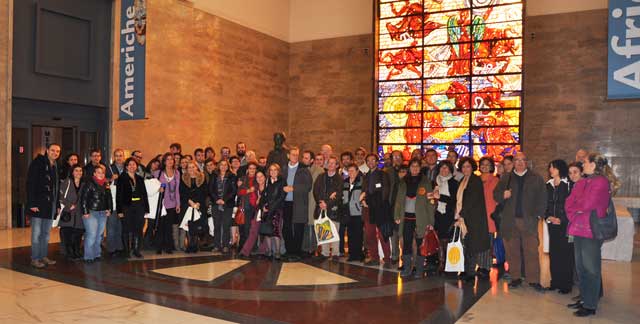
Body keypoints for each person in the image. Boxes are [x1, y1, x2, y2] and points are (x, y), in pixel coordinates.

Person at [565, 153, 620, 317]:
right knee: (581, 268)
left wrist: (577, 205)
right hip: (578, 227)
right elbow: (569, 202)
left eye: (585, 162)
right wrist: (576, 207)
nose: (583, 165)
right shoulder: (584, 181)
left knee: (591, 269)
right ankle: (584, 298)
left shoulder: (601, 182)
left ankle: (590, 305)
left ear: (594, 165)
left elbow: (588, 204)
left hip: (591, 230)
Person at [493, 152, 546, 290]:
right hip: (510, 221)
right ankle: (515, 278)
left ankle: (533, 280)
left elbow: (542, 198)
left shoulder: (536, 178)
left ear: (527, 162)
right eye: (517, 160)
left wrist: (538, 215)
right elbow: (496, 195)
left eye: (523, 160)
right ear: (514, 162)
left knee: (531, 251)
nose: (520, 162)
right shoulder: (506, 178)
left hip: (528, 221)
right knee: (512, 251)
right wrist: (503, 195)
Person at [394, 158, 435, 278]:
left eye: (417, 166)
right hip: (405, 218)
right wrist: (396, 215)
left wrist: (430, 221)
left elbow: (430, 202)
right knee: (406, 243)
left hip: (421, 218)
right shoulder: (403, 182)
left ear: (420, 168)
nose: (415, 168)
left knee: (420, 244)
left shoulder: (426, 182)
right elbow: (398, 201)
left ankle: (419, 269)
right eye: (413, 166)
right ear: (409, 168)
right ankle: (407, 268)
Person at [456, 157, 491, 281]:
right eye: (464, 166)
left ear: (472, 168)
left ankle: (470, 273)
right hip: (465, 218)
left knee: (472, 247)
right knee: (466, 246)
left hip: (473, 219)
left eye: (468, 166)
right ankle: (466, 270)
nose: (466, 169)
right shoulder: (463, 180)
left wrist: (461, 214)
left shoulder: (475, 180)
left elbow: (471, 200)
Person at [27, 143, 61, 269]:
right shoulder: (38, 163)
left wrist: (57, 204)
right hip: (38, 204)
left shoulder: (55, 166)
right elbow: (30, 184)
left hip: (50, 205)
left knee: (46, 233)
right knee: (36, 233)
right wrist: (32, 203)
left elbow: (56, 189)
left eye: (57, 151)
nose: (55, 153)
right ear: (47, 151)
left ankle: (43, 255)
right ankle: (35, 258)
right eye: (52, 150)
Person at [544, 159, 573, 294]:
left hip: (564, 224)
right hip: (552, 223)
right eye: (550, 167)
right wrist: (548, 217)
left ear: (560, 169)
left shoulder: (568, 185)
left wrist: (561, 219)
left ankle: (565, 284)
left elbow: (571, 206)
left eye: (553, 167)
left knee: (565, 254)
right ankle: (554, 282)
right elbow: (544, 204)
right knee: (554, 253)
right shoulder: (548, 185)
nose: (551, 170)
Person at [281, 147, 312, 261]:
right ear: (288, 155)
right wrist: (283, 188)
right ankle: (289, 251)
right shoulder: (283, 169)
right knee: (286, 228)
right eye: (293, 154)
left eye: (297, 155)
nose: (295, 157)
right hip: (286, 203)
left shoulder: (304, 169)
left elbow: (308, 186)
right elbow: (279, 183)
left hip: (299, 202)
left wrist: (294, 188)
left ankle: (296, 252)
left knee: (298, 227)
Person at [361, 154, 392, 266]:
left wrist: (370, 201)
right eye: (368, 161)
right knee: (370, 234)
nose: (371, 162)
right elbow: (364, 191)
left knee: (383, 234)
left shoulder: (383, 174)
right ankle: (374, 257)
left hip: (380, 209)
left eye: (373, 160)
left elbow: (384, 193)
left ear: (377, 161)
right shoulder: (365, 176)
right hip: (368, 210)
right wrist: (363, 200)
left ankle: (387, 258)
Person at [116, 158, 150, 258]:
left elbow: (144, 194)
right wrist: (119, 210)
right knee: (126, 229)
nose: (132, 166)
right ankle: (126, 251)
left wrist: (146, 208)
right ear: (126, 167)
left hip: (139, 206)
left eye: (134, 164)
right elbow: (119, 195)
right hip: (127, 206)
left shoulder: (139, 178)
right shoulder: (122, 178)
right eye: (130, 164)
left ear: (136, 166)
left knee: (138, 229)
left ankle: (136, 250)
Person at [79, 164, 112, 263]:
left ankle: (97, 254)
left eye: (102, 173)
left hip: (102, 213)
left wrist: (109, 209)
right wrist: (85, 212)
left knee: (99, 235)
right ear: (94, 174)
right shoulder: (89, 183)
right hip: (91, 212)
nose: (101, 174)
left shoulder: (106, 184)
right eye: (98, 172)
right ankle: (88, 256)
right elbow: (83, 199)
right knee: (91, 234)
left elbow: (109, 198)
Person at [313, 156, 344, 259]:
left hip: (334, 208)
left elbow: (338, 194)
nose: (330, 165)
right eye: (329, 163)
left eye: (333, 163)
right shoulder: (321, 177)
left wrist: (328, 203)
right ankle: (325, 253)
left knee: (334, 232)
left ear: (337, 165)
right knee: (324, 231)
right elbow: (316, 191)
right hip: (321, 207)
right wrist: (320, 202)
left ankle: (335, 253)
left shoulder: (339, 179)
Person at [434, 160, 459, 271]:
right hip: (436, 213)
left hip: (447, 214)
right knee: (438, 239)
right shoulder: (435, 181)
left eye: (446, 168)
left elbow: (454, 200)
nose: (444, 170)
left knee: (446, 239)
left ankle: (449, 264)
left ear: (450, 170)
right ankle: (441, 262)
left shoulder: (454, 182)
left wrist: (440, 197)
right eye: (442, 168)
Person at [154, 153, 181, 255]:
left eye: (172, 159)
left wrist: (178, 204)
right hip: (161, 203)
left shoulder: (177, 173)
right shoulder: (158, 173)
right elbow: (152, 187)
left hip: (172, 204)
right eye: (168, 159)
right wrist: (158, 189)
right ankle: (159, 246)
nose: (170, 161)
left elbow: (177, 190)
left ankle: (168, 246)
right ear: (164, 161)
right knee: (160, 226)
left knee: (169, 226)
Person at [209, 159, 237, 253]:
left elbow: (233, 191)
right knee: (216, 225)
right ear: (218, 166)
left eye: (225, 165)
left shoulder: (232, 176)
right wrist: (217, 200)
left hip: (227, 204)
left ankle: (225, 245)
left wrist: (224, 200)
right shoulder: (213, 175)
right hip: (215, 204)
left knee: (226, 225)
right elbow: (210, 190)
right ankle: (216, 245)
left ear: (228, 166)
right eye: (221, 165)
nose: (223, 166)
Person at [180, 161, 208, 253]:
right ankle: (189, 245)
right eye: (189, 167)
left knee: (197, 225)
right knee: (189, 225)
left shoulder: (202, 177)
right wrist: (190, 202)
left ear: (196, 168)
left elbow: (205, 192)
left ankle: (195, 245)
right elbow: (182, 192)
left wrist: (198, 203)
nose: (191, 169)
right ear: (187, 169)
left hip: (199, 205)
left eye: (193, 167)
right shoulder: (183, 178)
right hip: (187, 204)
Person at [58, 164, 84, 260]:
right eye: (76, 170)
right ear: (72, 172)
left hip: (79, 213)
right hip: (68, 213)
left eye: (80, 170)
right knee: (68, 234)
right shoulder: (67, 182)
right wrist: (69, 205)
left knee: (78, 234)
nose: (79, 173)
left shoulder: (84, 183)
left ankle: (76, 251)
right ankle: (69, 253)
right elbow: (60, 196)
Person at [262, 164, 286, 260]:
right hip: (267, 209)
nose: (273, 172)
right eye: (271, 170)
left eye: (275, 170)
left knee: (276, 230)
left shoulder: (282, 181)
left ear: (278, 171)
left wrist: (271, 208)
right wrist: (263, 206)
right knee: (267, 230)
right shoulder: (267, 181)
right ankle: (268, 251)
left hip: (277, 209)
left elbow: (281, 197)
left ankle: (277, 252)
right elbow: (264, 195)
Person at [479, 156, 498, 274]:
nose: (485, 166)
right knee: (479, 241)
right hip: (477, 215)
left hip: (489, 214)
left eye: (487, 164)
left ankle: (486, 267)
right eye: (482, 164)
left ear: (491, 167)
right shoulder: (476, 179)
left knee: (488, 242)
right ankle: (480, 265)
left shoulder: (495, 180)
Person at [239, 164, 263, 258]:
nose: (252, 170)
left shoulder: (259, 178)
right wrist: (249, 190)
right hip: (246, 206)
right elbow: (239, 191)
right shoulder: (243, 179)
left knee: (255, 228)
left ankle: (254, 248)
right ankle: (246, 248)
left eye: (254, 168)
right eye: (250, 168)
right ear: (247, 169)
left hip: (257, 206)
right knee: (246, 228)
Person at [342, 164, 365, 262]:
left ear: (357, 171)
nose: (351, 172)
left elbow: (366, 192)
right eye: (349, 171)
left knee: (358, 234)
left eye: (353, 170)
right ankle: (352, 254)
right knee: (350, 234)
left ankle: (359, 254)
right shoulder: (345, 182)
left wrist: (363, 199)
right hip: (348, 212)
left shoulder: (362, 181)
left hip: (358, 212)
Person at [303, 152, 324, 256]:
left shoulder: (320, 171)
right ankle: (306, 248)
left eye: (306, 158)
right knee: (306, 225)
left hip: (314, 200)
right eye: (303, 158)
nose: (304, 159)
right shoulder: (302, 169)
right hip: (303, 201)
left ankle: (314, 248)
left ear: (312, 160)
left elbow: (321, 187)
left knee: (314, 225)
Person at [385, 150, 404, 265]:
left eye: (398, 156)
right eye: (394, 157)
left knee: (404, 232)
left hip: (404, 205)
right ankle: (395, 255)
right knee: (393, 232)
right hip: (391, 204)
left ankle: (407, 257)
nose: (396, 159)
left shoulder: (407, 169)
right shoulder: (388, 172)